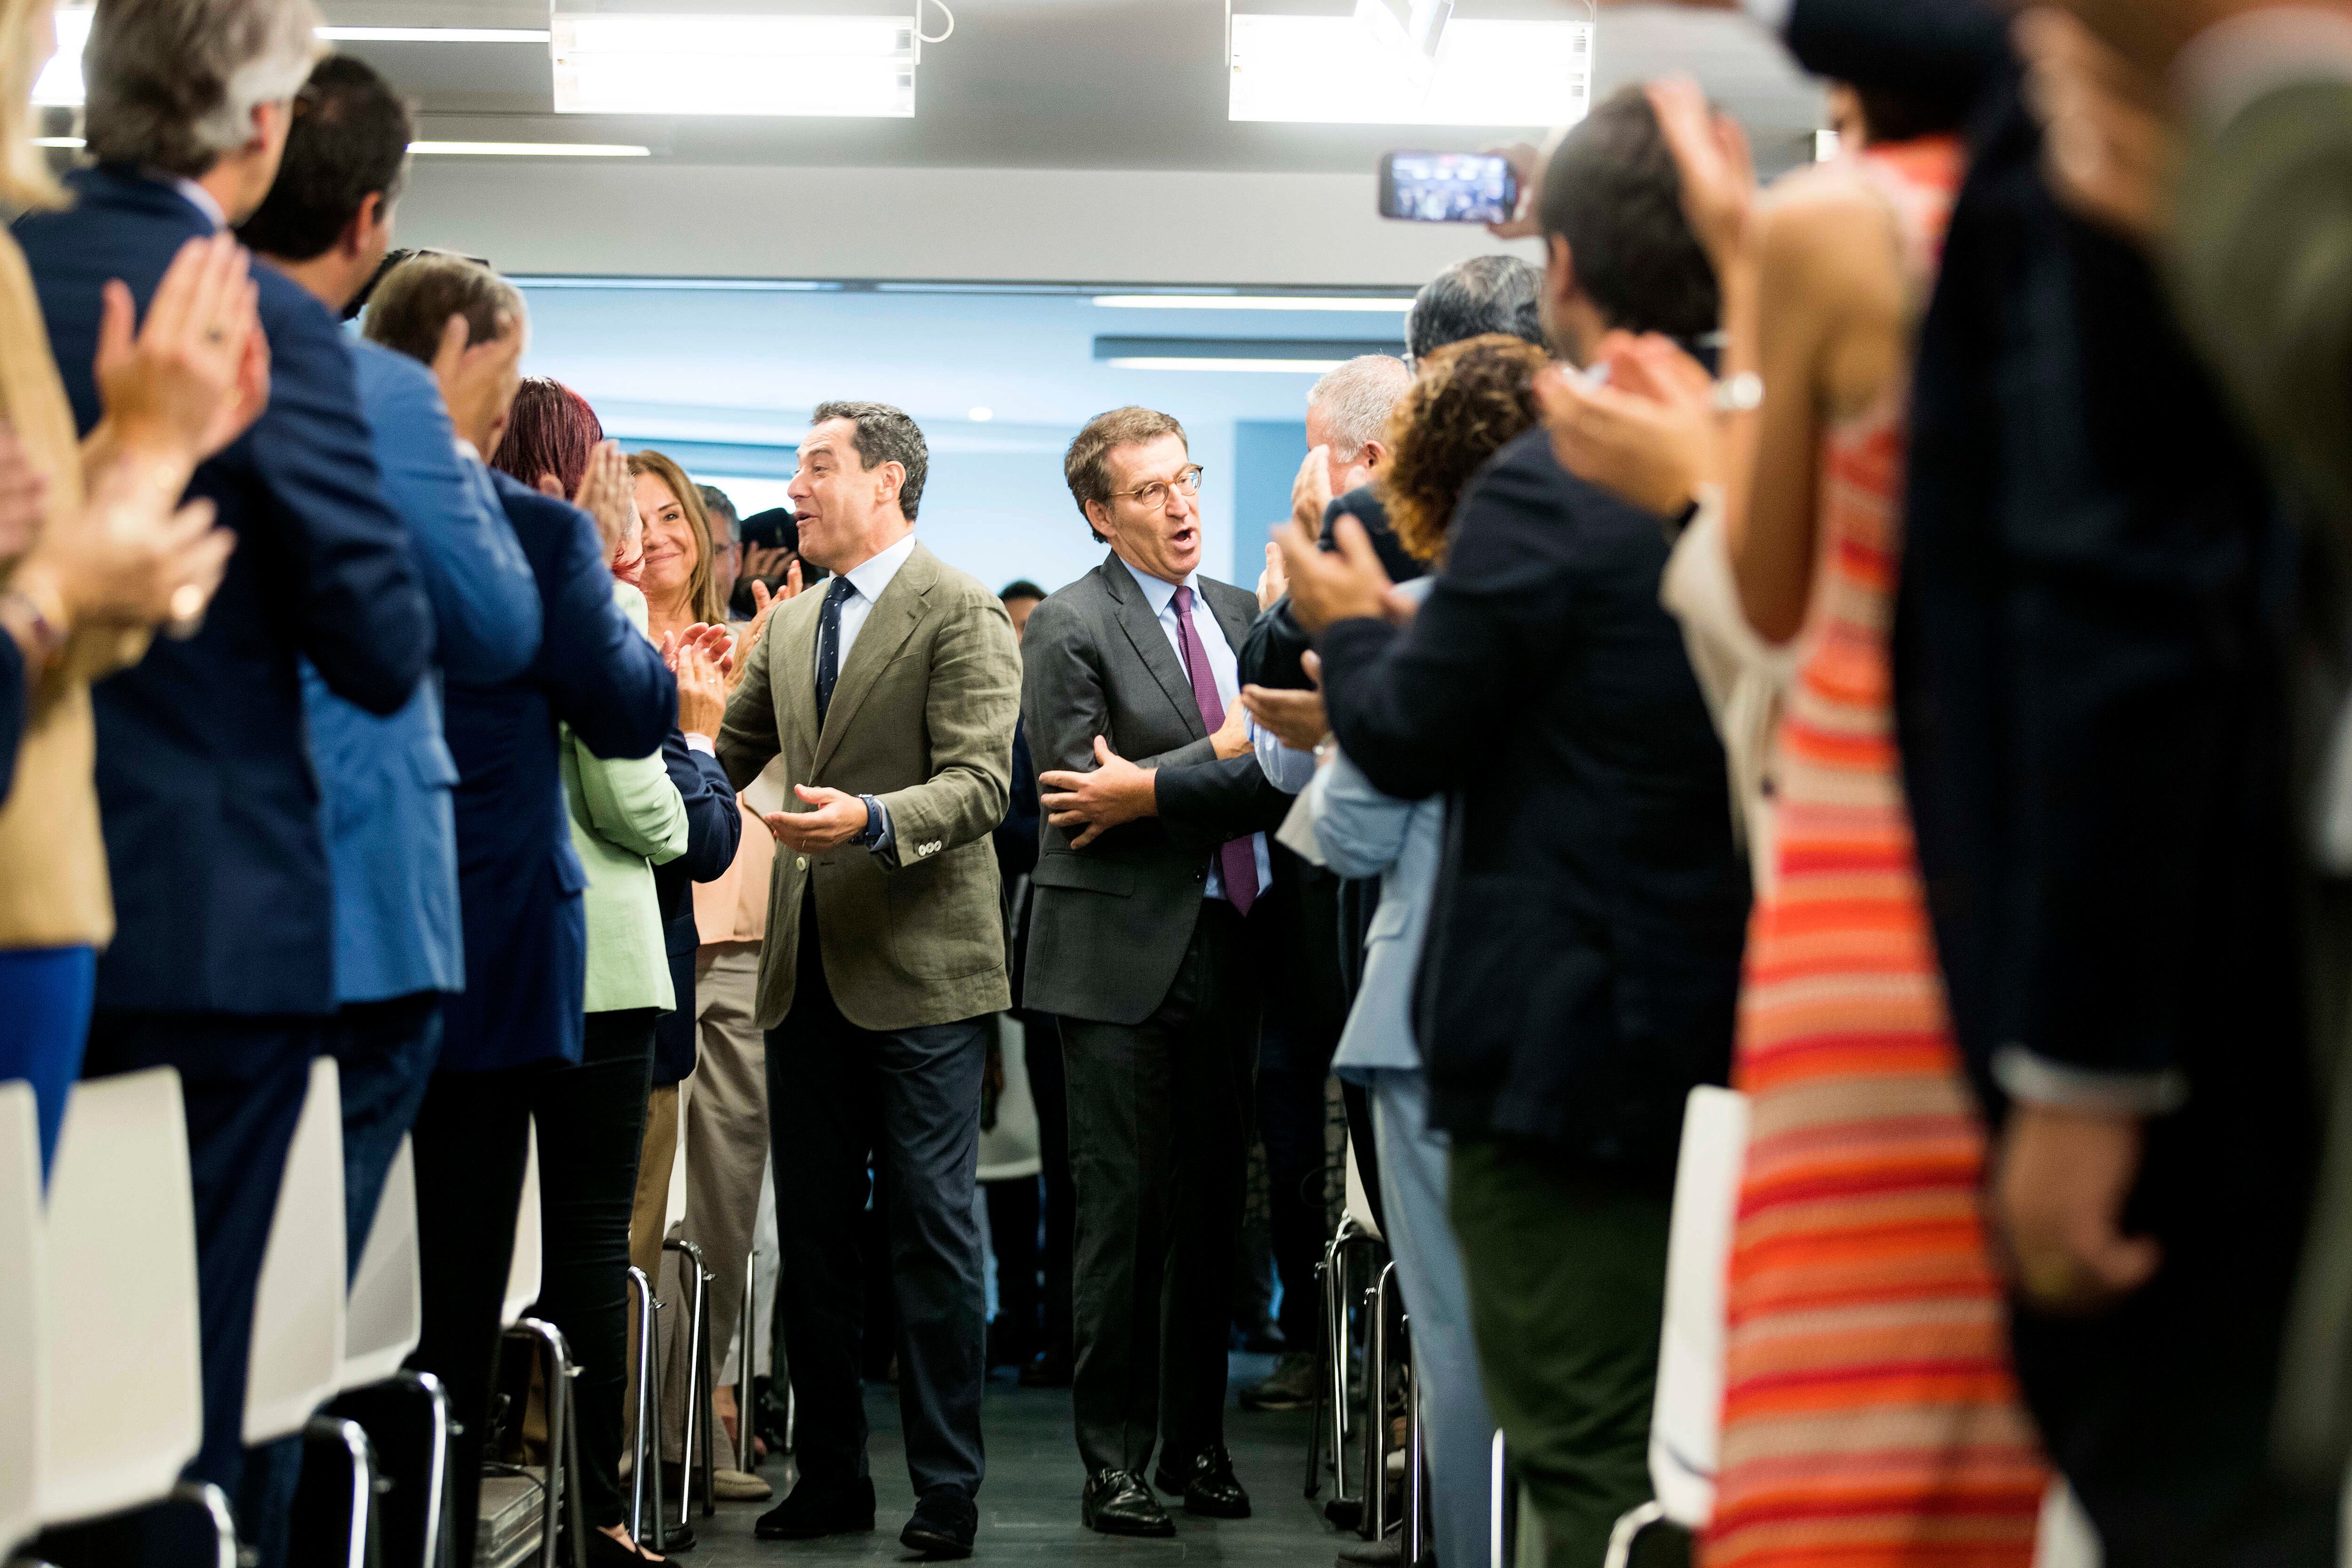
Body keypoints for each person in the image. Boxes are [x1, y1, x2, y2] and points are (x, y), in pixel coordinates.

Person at [1645, 2, 2341, 1560]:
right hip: (2054, 861)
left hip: (1858, 870)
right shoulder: (2107, 184)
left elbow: (1765, 591)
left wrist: (1741, 291)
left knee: (1845, 1432)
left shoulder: (1834, 229)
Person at [1277, 86, 1753, 1568]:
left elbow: (1413, 736)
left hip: (1564, 1026)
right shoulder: (1755, 437)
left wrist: (1355, 631)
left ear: (1570, 273)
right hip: (1726, 1005)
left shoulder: (1562, 478)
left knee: (1575, 1423)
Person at [1600, 73, 2050, 1565]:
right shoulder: (2115, 226)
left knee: (1846, 1475)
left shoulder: (1846, 232)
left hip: (1872, 908)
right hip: (2056, 905)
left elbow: (1776, 614)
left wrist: (1700, 474)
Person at [15, 0, 438, 1528]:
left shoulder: (10, 270)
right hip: (209, 933)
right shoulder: (259, 324)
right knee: (162, 1416)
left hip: (24, 871)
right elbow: (382, 645)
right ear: (263, 131)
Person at [367, 254, 677, 1568]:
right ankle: (462, 1526)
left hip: (349, 928)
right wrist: (614, 590)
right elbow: (632, 709)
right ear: (484, 375)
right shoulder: (540, 539)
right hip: (497, 954)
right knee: (474, 1286)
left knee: (361, 1289)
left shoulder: (320, 498)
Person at [235, 48, 541, 1269]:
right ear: (368, 222)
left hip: (168, 887)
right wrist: (463, 439)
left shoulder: (128, 333)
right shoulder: (385, 395)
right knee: (294, 1293)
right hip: (361, 893)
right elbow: (495, 625)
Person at [715, 400, 1021, 1560]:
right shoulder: (790, 625)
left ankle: (946, 1491)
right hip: (805, 977)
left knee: (934, 1236)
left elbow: (983, 786)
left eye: (816, 467)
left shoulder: (963, 609)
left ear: (885, 482)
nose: (794, 488)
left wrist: (873, 820)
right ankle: (832, 1477)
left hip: (924, 974)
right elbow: (728, 750)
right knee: (822, 1250)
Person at [1020, 406, 1296, 1536]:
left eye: (1186, 481)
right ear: (1099, 511)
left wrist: (1174, 776)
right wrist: (1217, 753)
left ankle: (1196, 1447)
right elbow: (1075, 797)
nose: (1183, 505)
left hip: (1233, 941)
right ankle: (1115, 1463)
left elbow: (1279, 777)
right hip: (1114, 958)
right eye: (1150, 491)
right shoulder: (1069, 628)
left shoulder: (1241, 615)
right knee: (1121, 1220)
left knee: (1211, 1218)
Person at [1296, 332, 1540, 1568]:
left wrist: (1346, 693)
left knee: (1457, 1346)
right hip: (1573, 1011)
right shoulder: (1613, 589)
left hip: (1424, 1007)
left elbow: (1346, 828)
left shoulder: (1421, 615)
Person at [0, 0, 246, 1181]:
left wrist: (137, 453)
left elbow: (49, 579)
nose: (51, 34)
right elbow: (42, 600)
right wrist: (75, 570)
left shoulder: (12, 259)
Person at [620, 448, 741, 1510]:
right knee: (621, 1232)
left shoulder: (726, 650)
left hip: (704, 958)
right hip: (636, 964)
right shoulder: (615, 655)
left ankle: (668, 1435)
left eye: (673, 516)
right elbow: (699, 831)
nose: (656, 535)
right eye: (633, 515)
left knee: (683, 1224)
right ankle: (606, 1464)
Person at [987, 576, 1076, 1386]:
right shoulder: (1002, 730)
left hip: (1074, 964)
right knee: (1025, 1165)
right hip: (1018, 973)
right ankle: (1031, 1319)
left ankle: (1067, 1327)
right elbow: (1007, 832)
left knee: (1072, 1167)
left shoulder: (1071, 721)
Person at [699, 481, 743, 617]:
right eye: (687, 552)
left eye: (714, 551)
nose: (702, 570)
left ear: (736, 560)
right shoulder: (637, 636)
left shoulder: (764, 636)